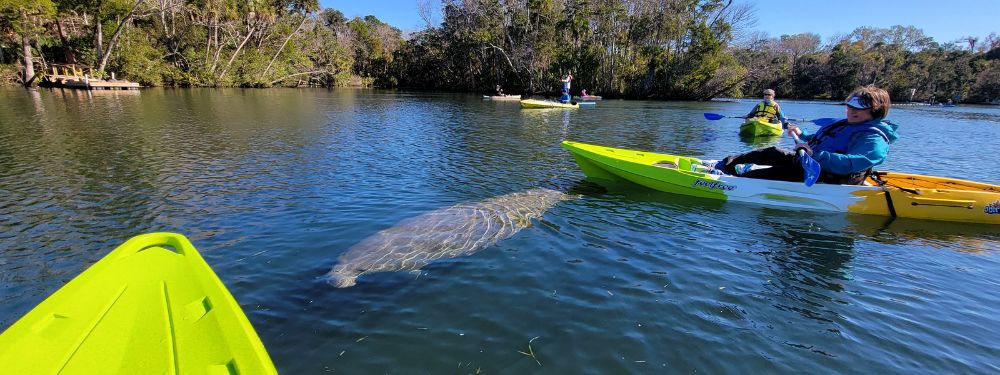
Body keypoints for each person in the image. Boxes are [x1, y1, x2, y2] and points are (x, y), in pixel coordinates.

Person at [714, 86, 899, 185]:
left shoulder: (873, 137)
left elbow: (852, 163)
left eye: (858, 108)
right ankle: (724, 165)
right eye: (850, 106)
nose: (851, 111)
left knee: (762, 175)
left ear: (875, 110)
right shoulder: (846, 124)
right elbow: (820, 141)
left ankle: (734, 181)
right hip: (809, 163)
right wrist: (802, 135)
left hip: (828, 176)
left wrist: (814, 155)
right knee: (772, 151)